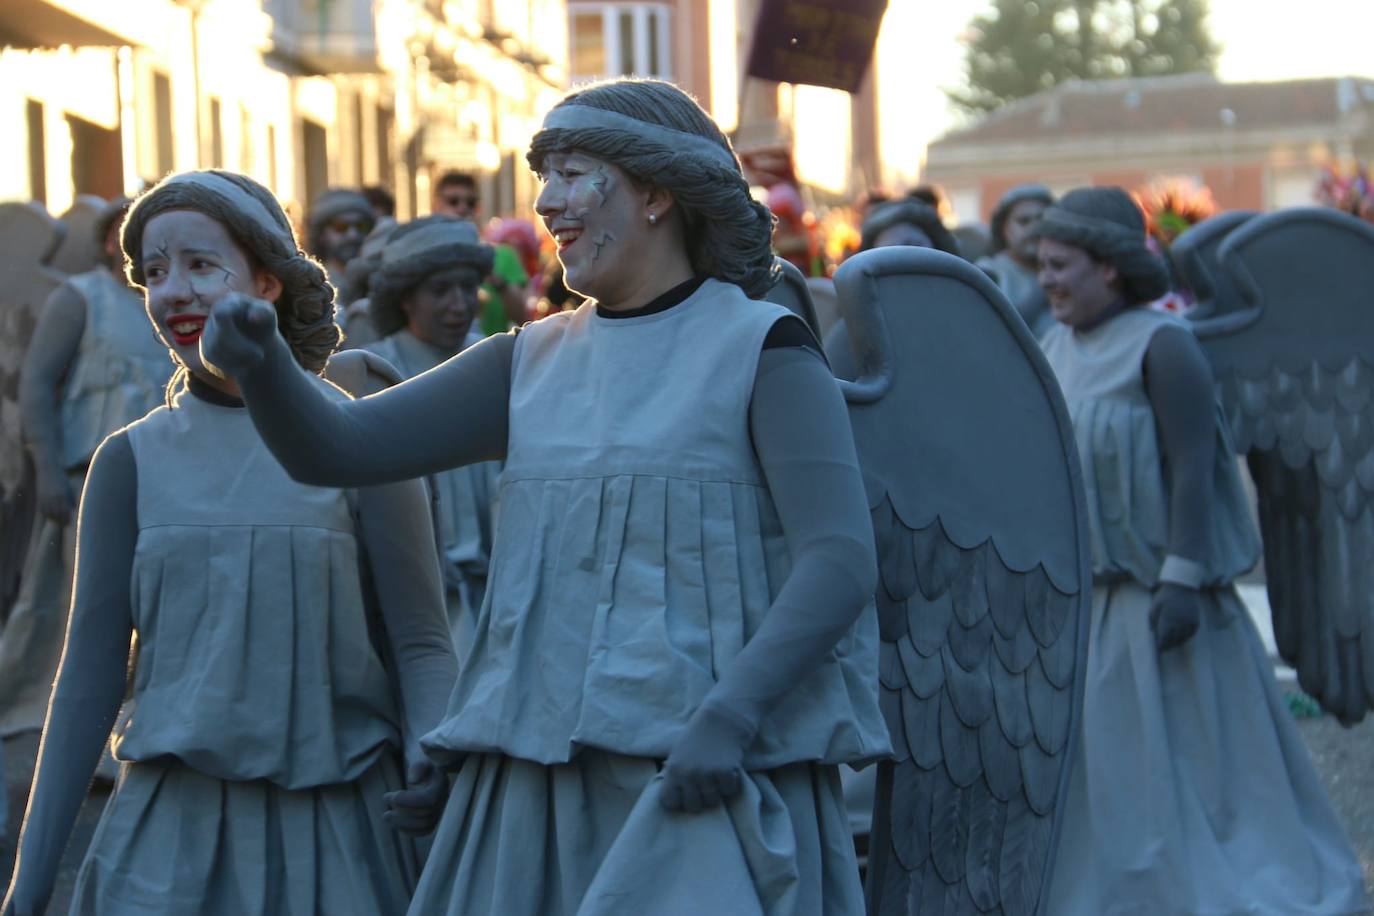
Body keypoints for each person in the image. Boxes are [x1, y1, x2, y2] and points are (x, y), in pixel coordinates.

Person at [203, 77, 890, 915]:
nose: (548, 205)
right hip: (534, 788)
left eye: (572, 173)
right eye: (545, 178)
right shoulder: (525, 360)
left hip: (701, 779)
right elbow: (336, 449)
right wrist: (262, 365)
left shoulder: (764, 349)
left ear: (656, 194)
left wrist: (730, 718)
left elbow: (839, 560)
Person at [2, 170, 457, 916]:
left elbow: (421, 641)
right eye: (153, 272)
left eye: (201, 266)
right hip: (167, 845)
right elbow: (86, 678)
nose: (173, 291)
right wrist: (30, 881)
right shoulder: (129, 461)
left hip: (338, 830)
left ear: (268, 282)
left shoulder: (363, 439)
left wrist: (429, 751)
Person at [1037, 187, 1368, 915]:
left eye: (1062, 266)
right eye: (1042, 266)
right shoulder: (1053, 346)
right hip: (1089, 605)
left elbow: (1195, 466)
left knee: (1195, 767)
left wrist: (1182, 575)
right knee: (1109, 774)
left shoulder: (1164, 345)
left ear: (1112, 268)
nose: (1047, 281)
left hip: (1164, 603)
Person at [1, 197, 172, 745]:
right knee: (77, 610)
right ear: (108, 243)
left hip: (163, 487)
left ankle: (129, 729)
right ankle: (56, 723)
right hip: (85, 483)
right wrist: (47, 468)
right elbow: (37, 384)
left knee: (151, 612)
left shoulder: (172, 307)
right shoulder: (82, 299)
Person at [364, 216, 499, 656]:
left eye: (467, 287)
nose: (459, 304)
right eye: (440, 290)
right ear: (406, 299)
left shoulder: (495, 359)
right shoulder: (375, 370)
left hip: (493, 590)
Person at [432, 171, 528, 335]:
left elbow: (523, 319)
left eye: (470, 203)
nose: (463, 208)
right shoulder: (424, 256)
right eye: (453, 201)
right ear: (436, 205)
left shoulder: (502, 255)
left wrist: (500, 284)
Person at [977, 183, 1055, 335]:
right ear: (1004, 229)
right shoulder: (987, 273)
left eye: (1042, 219)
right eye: (1024, 221)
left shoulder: (1069, 269)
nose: (1034, 228)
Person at [306, 188, 375, 291]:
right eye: (341, 227)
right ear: (321, 235)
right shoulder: (313, 287)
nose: (353, 235)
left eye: (361, 226)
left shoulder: (379, 282)